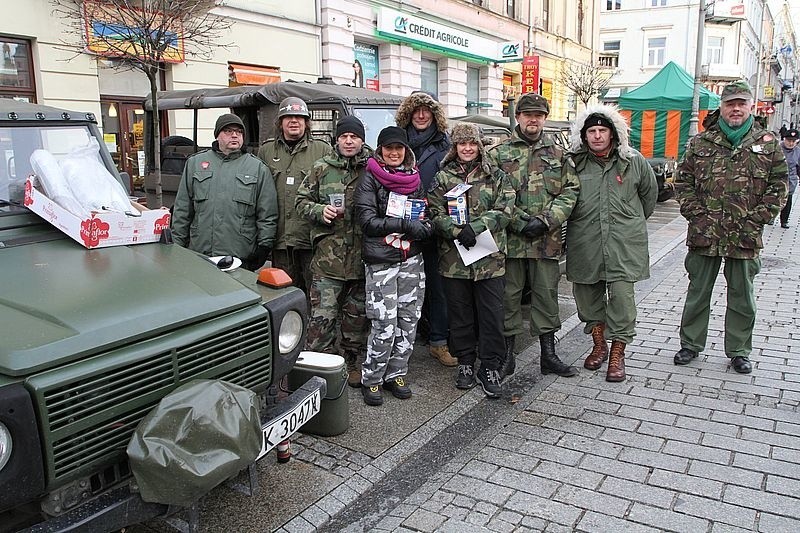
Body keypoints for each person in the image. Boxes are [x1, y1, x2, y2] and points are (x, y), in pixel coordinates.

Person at [672, 81, 788, 374]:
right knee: (698, 291)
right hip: (705, 232)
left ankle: (739, 350)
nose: (736, 109)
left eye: (741, 103)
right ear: (721, 107)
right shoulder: (701, 142)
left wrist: (758, 218)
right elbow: (683, 183)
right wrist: (697, 215)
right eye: (730, 104)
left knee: (742, 295)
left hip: (745, 234)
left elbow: (779, 185)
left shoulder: (767, 142)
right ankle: (690, 344)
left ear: (751, 106)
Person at [488, 92, 580, 380]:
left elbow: (570, 191)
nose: (533, 120)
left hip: (545, 240)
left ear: (544, 119)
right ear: (518, 118)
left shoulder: (558, 154)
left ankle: (548, 355)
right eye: (528, 115)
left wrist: (545, 220)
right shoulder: (498, 153)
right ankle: (507, 356)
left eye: (538, 115)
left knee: (546, 297)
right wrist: (516, 222)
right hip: (510, 241)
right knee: (508, 298)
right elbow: (488, 193)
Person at [564, 105, 657, 382]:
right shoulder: (575, 163)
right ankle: (599, 344)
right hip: (586, 242)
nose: (596, 136)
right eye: (591, 131)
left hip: (623, 245)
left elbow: (648, 198)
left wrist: (629, 221)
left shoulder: (633, 161)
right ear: (584, 135)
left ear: (613, 133)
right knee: (587, 297)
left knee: (622, 300)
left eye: (602, 130)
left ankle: (618, 353)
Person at [428, 123, 515, 399]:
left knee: (491, 315)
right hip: (454, 261)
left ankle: (489, 365)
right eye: (462, 144)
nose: (467, 148)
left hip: (489, 260)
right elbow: (433, 211)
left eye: (472, 144)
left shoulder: (496, 176)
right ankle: (465, 362)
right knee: (460, 315)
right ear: (454, 148)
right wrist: (456, 231)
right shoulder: (443, 177)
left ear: (480, 146)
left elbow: (506, 209)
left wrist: (475, 227)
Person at [354, 126, 433, 406]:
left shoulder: (414, 178)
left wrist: (425, 225)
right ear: (380, 150)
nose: (394, 153)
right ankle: (372, 378)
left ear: (406, 151)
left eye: (399, 148)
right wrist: (402, 224)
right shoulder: (369, 178)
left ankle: (396, 373)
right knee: (384, 321)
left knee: (409, 319)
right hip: (381, 261)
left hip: (411, 258)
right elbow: (366, 221)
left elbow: (424, 210)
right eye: (389, 148)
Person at [296, 116, 372, 387]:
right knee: (321, 320)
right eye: (344, 136)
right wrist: (320, 210)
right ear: (336, 139)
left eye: (354, 136)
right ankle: (322, 365)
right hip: (328, 259)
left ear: (362, 139)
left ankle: (352, 361)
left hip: (363, 258)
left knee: (356, 317)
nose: (349, 141)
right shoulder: (321, 168)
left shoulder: (373, 168)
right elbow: (301, 202)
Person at [395, 90, 457, 367]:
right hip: (400, 225)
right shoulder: (396, 141)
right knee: (400, 285)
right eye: (416, 110)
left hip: (435, 223)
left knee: (437, 285)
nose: (421, 115)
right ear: (408, 113)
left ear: (435, 114)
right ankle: (399, 340)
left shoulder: (446, 145)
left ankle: (438, 341)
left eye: (427, 110)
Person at [172, 113, 277, 271]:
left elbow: (267, 213)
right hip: (201, 252)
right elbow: (182, 209)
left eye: (239, 132)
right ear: (217, 135)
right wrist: (177, 245)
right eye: (228, 131)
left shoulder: (257, 168)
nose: (235, 135)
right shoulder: (195, 164)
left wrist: (264, 247)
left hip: (240, 254)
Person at [257, 97, 332, 294]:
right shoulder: (266, 150)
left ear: (306, 122)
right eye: (288, 116)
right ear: (280, 122)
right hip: (281, 239)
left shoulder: (322, 150)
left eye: (299, 117)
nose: (294, 121)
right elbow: (259, 192)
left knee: (314, 294)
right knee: (283, 294)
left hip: (310, 238)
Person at [779, 128, 799, 229]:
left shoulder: (798, 152)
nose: (790, 143)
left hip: (790, 180)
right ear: (784, 139)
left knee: (788, 200)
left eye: (793, 141)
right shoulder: (778, 148)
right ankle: (770, 218)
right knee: (774, 199)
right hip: (777, 178)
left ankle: (784, 220)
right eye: (789, 140)